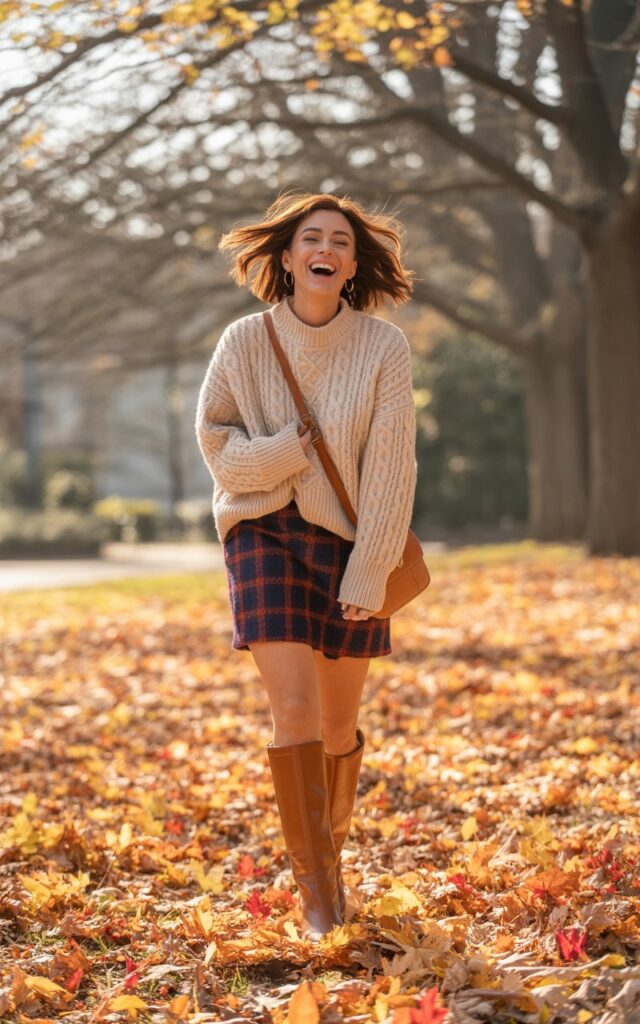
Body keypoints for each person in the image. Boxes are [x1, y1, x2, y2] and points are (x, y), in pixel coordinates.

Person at [194, 190, 417, 942]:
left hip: (349, 545)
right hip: (259, 529)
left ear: (351, 265)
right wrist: (285, 450)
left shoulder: (384, 348)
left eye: (342, 242)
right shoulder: (243, 342)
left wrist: (370, 572)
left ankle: (332, 847)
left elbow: (392, 471)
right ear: (287, 258)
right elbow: (217, 446)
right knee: (290, 711)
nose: (327, 249)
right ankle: (319, 896)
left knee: (337, 722)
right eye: (312, 238)